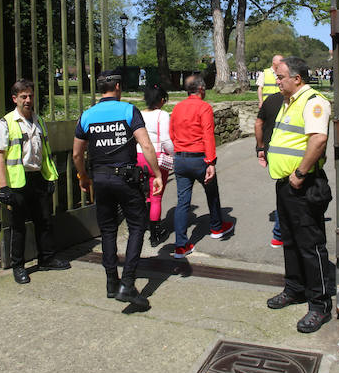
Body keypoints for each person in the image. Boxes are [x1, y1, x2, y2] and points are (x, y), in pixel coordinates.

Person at [73, 70, 162, 309]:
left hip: (100, 180)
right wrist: (156, 174)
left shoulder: (88, 115)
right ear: (118, 86)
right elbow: (145, 144)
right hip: (125, 179)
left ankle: (111, 282)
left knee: (108, 230)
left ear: (101, 88)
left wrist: (83, 176)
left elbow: (76, 153)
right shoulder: (127, 111)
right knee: (136, 226)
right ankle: (128, 283)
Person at [263, 57, 335, 333]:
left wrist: (301, 173)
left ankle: (319, 304)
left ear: (297, 78)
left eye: (280, 76)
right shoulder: (288, 102)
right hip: (286, 184)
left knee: (310, 244)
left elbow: (318, 139)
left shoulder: (313, 101)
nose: (277, 81)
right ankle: (295, 288)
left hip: (303, 184)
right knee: (290, 240)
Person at [0, 78, 70, 285]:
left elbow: (44, 153)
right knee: (18, 226)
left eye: (30, 96)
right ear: (15, 99)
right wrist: (3, 188)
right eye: (23, 97)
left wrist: (50, 177)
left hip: (39, 178)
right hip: (18, 180)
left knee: (44, 221)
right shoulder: (6, 123)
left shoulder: (39, 121)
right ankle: (18, 267)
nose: (28, 100)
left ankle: (46, 258)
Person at [169, 74, 234, 258]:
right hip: (199, 159)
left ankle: (181, 245)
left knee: (183, 202)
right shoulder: (204, 107)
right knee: (212, 192)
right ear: (201, 89)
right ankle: (216, 226)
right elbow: (208, 135)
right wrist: (211, 161)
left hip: (180, 158)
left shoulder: (177, 107)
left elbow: (172, 133)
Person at [136, 84, 174, 247]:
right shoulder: (162, 115)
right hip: (156, 157)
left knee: (143, 194)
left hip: (138, 156)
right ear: (161, 100)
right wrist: (173, 154)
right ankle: (155, 233)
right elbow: (166, 140)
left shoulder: (138, 113)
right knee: (156, 195)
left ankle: (142, 224)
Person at [254, 88, 285, 248]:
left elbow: (259, 124)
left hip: (273, 152)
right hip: (293, 156)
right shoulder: (299, 101)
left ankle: (279, 234)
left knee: (283, 190)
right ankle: (280, 233)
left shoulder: (270, 100)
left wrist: (260, 148)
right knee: (289, 194)